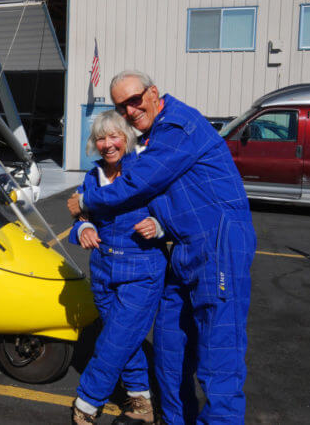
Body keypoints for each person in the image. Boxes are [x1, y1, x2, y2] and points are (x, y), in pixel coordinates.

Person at [68, 70, 256, 424]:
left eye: (135, 100)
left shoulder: (177, 126)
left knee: (218, 357)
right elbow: (173, 195)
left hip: (217, 247)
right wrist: (158, 223)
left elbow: (139, 185)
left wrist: (86, 202)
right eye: (121, 107)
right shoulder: (151, 141)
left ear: (153, 93)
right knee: (169, 349)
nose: (130, 110)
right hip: (182, 252)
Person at [70, 110, 167, 425]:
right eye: (101, 137)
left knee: (113, 341)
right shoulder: (92, 175)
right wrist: (82, 229)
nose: (107, 144)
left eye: (114, 136)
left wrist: (158, 224)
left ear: (127, 137)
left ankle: (87, 402)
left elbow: (174, 211)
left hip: (141, 270)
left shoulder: (145, 170)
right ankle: (142, 403)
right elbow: (80, 217)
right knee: (125, 339)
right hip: (102, 270)